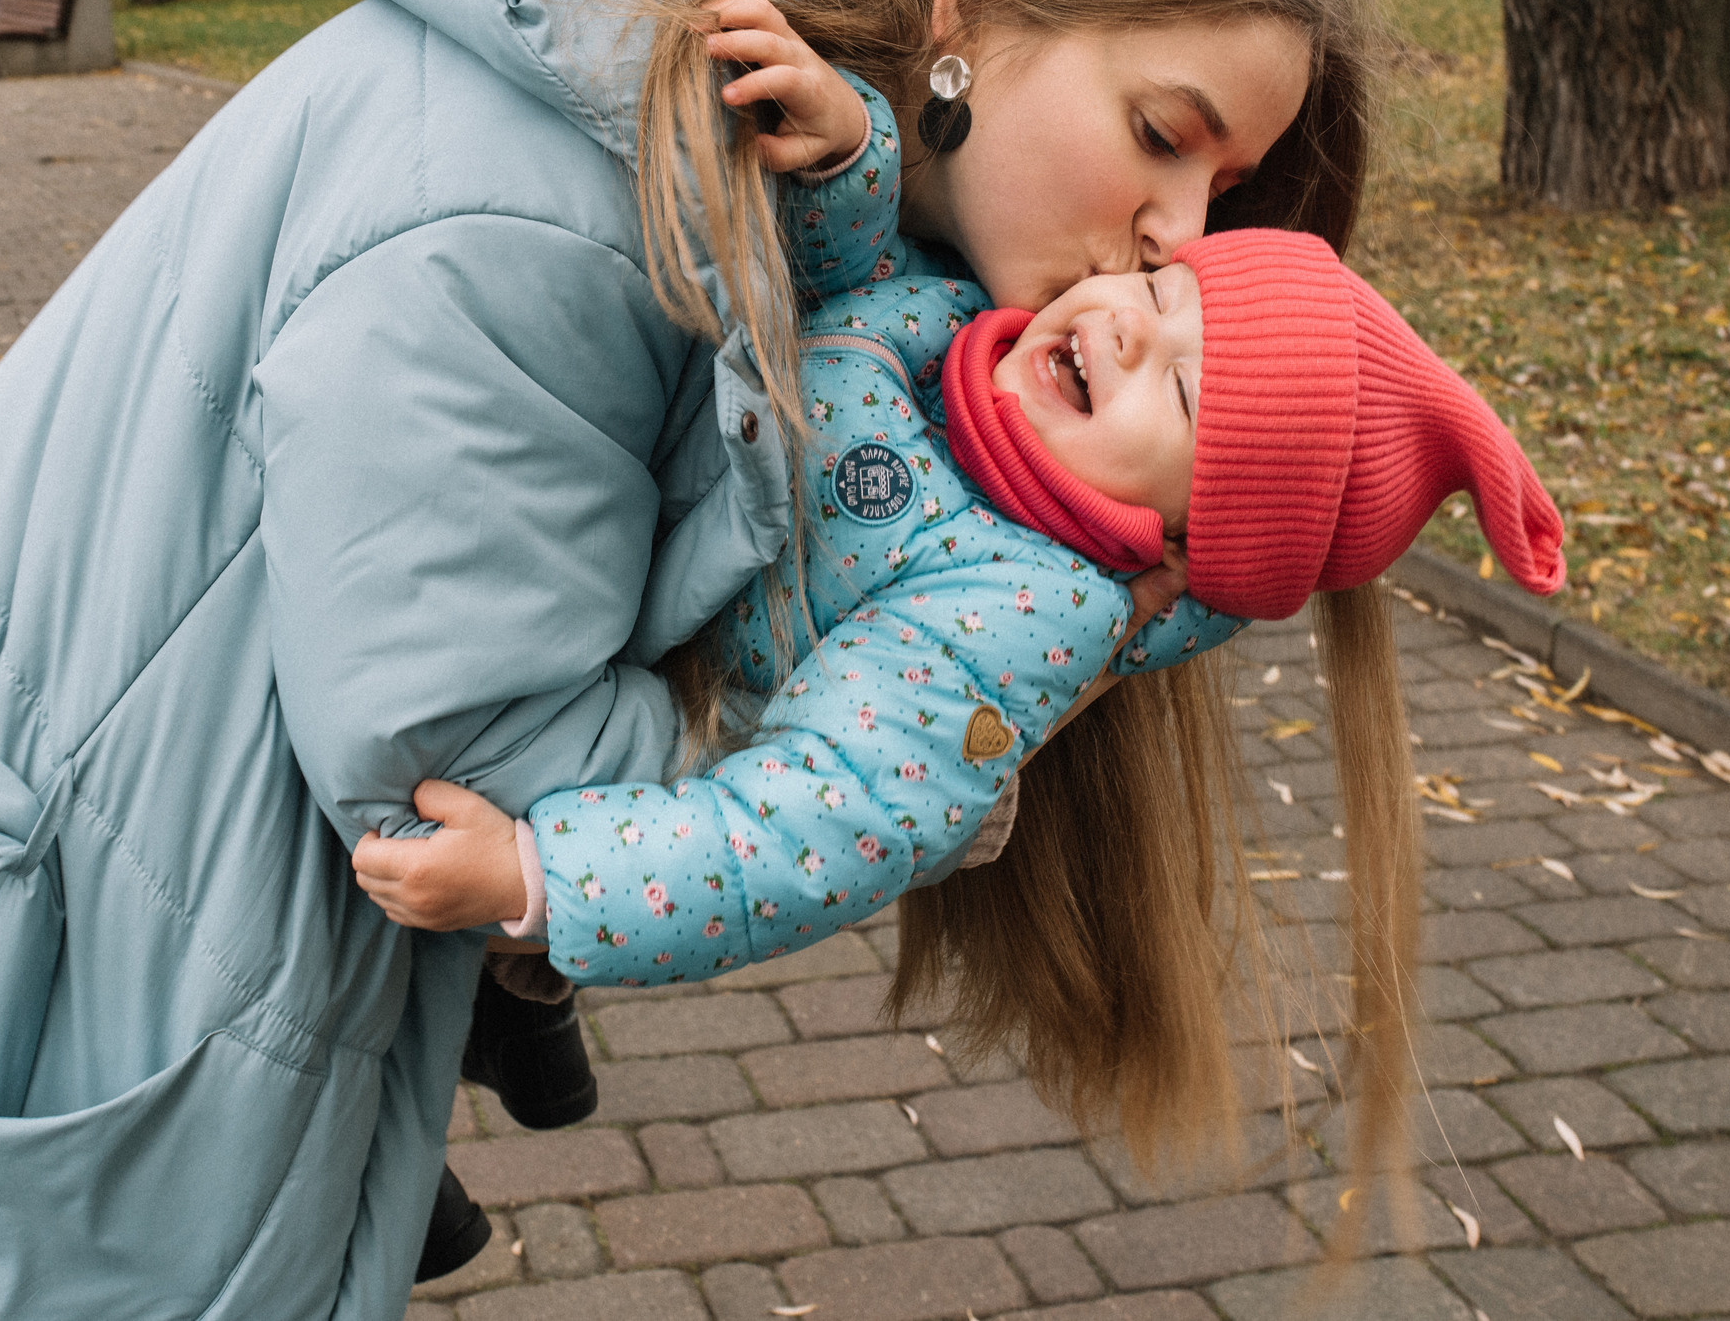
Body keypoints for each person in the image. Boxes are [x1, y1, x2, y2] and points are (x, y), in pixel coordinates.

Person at [0, 0, 1379, 1321]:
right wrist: (923, 751)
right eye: (1165, 132)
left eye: (1223, 189)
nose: (1181, 237)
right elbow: (452, 748)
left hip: (43, 942)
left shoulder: (701, 132)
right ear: (962, 24)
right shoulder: (560, 207)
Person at [361, 187, 1566, 1215]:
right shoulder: (964, 334)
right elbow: (837, 269)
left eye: (1189, 403)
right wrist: (847, 154)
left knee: (388, 891)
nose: (1130, 334)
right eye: (1159, 296)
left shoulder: (1011, 613)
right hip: (637, 529)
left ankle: (480, 1030)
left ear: (1185, 539)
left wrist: (535, 876)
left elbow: (808, 829)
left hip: (637, 729)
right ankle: (510, 1022)